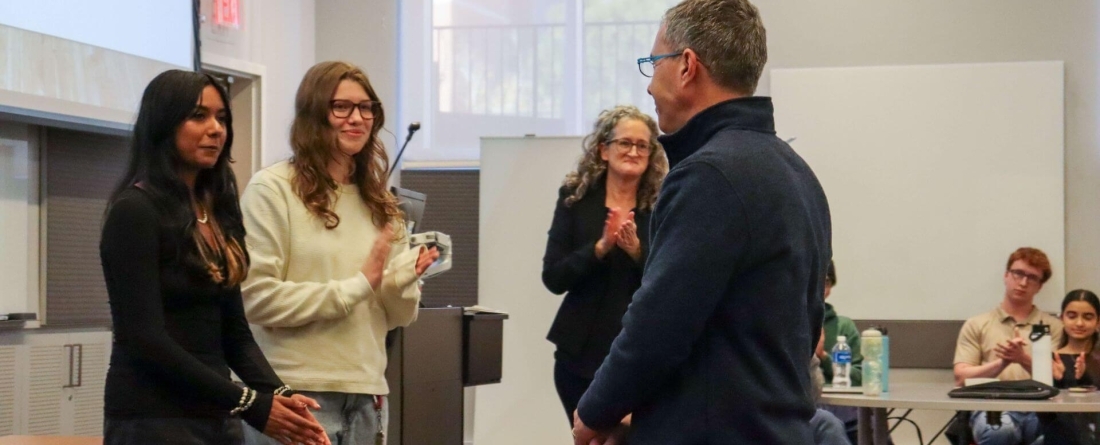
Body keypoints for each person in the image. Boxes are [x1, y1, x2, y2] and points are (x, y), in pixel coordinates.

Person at [571, 0, 832, 443]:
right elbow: (799, 332)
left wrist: (596, 410)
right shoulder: (797, 172)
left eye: (654, 63)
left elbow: (659, 324)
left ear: (687, 66)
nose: (650, 86)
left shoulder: (708, 176)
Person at [99, 70, 329, 444]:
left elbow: (235, 333)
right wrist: (251, 403)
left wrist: (279, 395)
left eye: (221, 118)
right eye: (198, 116)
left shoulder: (218, 208)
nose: (216, 129)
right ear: (163, 124)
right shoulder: (135, 211)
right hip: (153, 418)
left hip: (217, 414)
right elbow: (145, 339)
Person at [238, 61, 439, 445]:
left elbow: (398, 316)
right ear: (314, 113)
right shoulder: (272, 190)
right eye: (341, 107)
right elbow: (257, 300)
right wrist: (357, 286)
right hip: (293, 395)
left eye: (366, 108)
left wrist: (403, 281)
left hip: (367, 395)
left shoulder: (381, 203)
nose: (357, 118)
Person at [542, 105, 668, 426]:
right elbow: (554, 277)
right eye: (625, 143)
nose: (633, 151)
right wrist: (599, 248)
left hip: (639, 355)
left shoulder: (663, 204)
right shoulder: (576, 199)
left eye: (642, 145)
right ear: (604, 149)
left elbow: (671, 283)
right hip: (578, 356)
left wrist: (638, 251)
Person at [953, 247, 1062, 445]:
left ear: (1040, 286)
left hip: (1039, 409)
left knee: (1063, 435)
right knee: (1000, 433)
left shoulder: (1053, 327)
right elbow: (961, 378)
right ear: (1006, 275)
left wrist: (1023, 359)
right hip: (991, 406)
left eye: (1032, 278)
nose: (1022, 283)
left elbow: (1057, 377)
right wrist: (1002, 363)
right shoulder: (977, 324)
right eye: (1018, 273)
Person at [1041, 289, 1100, 445]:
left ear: (1098, 322)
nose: (1079, 323)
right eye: (1072, 316)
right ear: (1062, 319)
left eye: (1088, 317)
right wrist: (1058, 382)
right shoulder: (1052, 360)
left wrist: (1087, 377)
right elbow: (1043, 417)